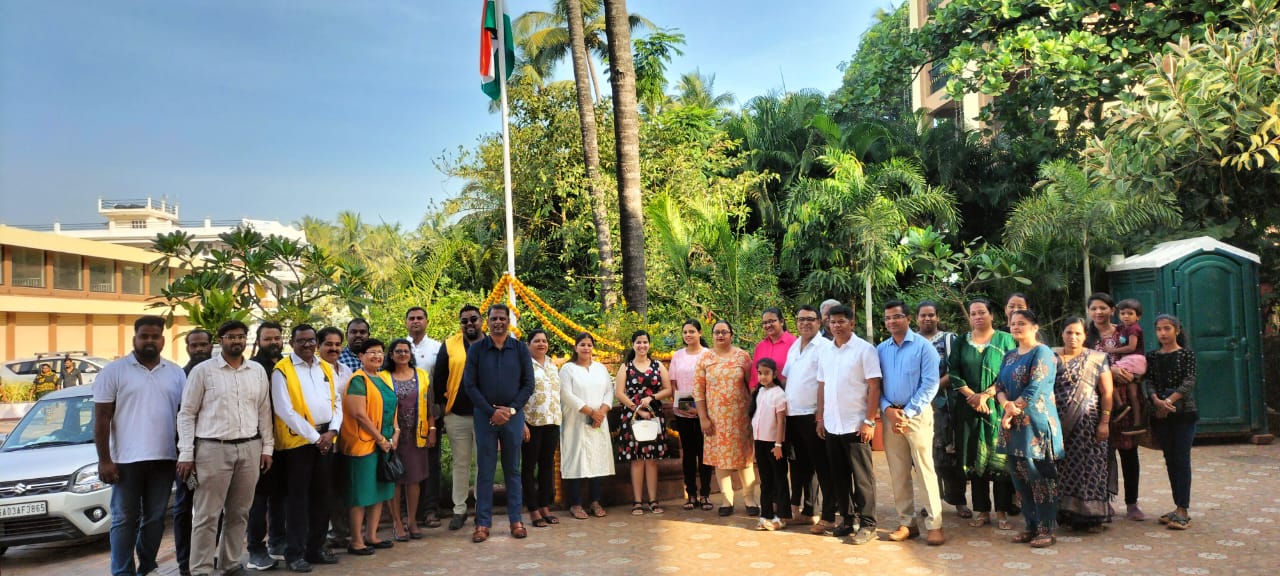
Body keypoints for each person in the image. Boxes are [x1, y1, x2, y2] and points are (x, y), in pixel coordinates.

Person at [177, 320, 275, 576]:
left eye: (241, 336)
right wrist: (187, 452)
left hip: (250, 448)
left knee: (239, 512)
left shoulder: (256, 371)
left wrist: (267, 448)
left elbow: (264, 411)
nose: (236, 341)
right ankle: (201, 569)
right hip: (212, 449)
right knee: (207, 515)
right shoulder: (203, 371)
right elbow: (186, 413)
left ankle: (230, 563)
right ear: (220, 340)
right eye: (231, 337)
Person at [93, 316, 186, 576]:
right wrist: (104, 460)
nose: (149, 340)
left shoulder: (175, 373)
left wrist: (185, 453)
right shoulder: (114, 371)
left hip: (165, 458)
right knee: (124, 519)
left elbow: (185, 416)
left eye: (154, 336)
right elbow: (101, 419)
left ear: (162, 340)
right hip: (125, 461)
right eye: (144, 336)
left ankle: (147, 566)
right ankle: (122, 571)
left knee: (156, 519)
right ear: (134, 338)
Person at [270, 324, 343, 571]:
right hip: (298, 443)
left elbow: (337, 402)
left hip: (325, 438)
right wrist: (316, 438)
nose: (308, 344)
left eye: (311, 340)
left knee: (323, 497)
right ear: (292, 343)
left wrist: (332, 431)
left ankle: (315, 549)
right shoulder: (282, 370)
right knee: (298, 501)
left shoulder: (325, 367)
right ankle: (295, 554)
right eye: (302, 341)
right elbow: (284, 410)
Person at [462, 303, 535, 543]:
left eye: (502, 318)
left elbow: (528, 384)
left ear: (508, 320)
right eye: (493, 318)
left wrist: (511, 409)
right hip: (485, 418)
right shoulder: (477, 350)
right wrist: (491, 412)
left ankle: (516, 520)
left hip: (513, 418)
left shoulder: (520, 349)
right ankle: (482, 523)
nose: (498, 322)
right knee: (485, 471)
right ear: (487, 321)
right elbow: (470, 385)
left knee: (513, 470)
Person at [877, 300, 945, 546]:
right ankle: (907, 522)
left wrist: (907, 412)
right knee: (897, 471)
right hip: (890, 417)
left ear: (907, 318)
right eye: (887, 318)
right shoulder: (881, 349)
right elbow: (878, 385)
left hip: (916, 416)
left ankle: (934, 524)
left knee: (925, 469)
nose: (891, 322)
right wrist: (887, 409)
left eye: (896, 317)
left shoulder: (923, 347)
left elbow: (930, 384)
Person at [995, 309, 1063, 548]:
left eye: (1021, 323)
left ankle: (1046, 528)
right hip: (1013, 424)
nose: (1015, 327)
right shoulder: (1010, 355)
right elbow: (999, 384)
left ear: (1034, 327)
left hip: (1036, 424)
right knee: (1019, 478)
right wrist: (1006, 406)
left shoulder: (1042, 352)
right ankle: (1030, 525)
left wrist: (1014, 409)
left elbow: (1037, 386)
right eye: (1013, 323)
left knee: (1040, 477)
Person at [816, 305, 882, 544]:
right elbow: (822, 385)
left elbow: (874, 386)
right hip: (833, 425)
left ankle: (868, 524)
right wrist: (821, 418)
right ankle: (846, 519)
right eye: (832, 322)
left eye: (841, 321)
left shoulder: (865, 350)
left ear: (852, 323)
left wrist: (869, 420)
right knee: (839, 476)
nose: (836, 326)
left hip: (857, 425)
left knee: (862, 477)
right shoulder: (826, 352)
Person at [948, 298, 1016, 530]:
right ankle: (982, 510)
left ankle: (1002, 511)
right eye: (973, 313)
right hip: (967, 410)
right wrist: (972, 397)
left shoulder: (1005, 340)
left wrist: (986, 395)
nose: (977, 316)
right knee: (975, 459)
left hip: (997, 407)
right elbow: (954, 372)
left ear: (992, 315)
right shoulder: (960, 342)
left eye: (982, 312)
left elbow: (1009, 372)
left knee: (999, 460)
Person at [1085, 292, 1143, 521]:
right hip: (1096, 402)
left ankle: (1132, 503)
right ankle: (1103, 501)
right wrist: (1110, 371)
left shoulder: (1125, 331)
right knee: (1101, 455)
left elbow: (1139, 357)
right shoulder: (1085, 337)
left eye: (1103, 308)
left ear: (1112, 310)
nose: (1098, 313)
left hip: (1124, 402)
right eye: (1093, 309)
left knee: (1129, 452)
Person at [1053, 317, 1114, 532]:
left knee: (1090, 469)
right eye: (1069, 332)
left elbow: (1107, 392)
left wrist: (1104, 422)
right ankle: (1066, 515)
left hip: (1089, 425)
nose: (1073, 337)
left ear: (1085, 336)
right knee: (1063, 469)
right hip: (1057, 425)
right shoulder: (1051, 357)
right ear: (1062, 334)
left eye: (1078, 333)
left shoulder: (1097, 358)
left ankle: (1091, 517)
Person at [695, 320, 760, 518]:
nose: (720, 335)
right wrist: (703, 418)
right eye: (717, 332)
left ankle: (749, 498)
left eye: (724, 332)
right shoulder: (705, 358)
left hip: (740, 417)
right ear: (712, 335)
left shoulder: (742, 356)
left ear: (731, 335)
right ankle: (727, 499)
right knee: (721, 461)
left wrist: (754, 413)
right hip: (716, 419)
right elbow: (698, 391)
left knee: (745, 459)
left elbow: (752, 385)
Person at [338, 338, 397, 556]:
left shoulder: (383, 379)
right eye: (371, 352)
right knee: (360, 494)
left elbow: (392, 406)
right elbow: (359, 415)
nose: (377, 356)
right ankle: (356, 541)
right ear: (361, 356)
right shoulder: (358, 380)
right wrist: (380, 439)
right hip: (364, 444)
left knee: (379, 491)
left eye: (380, 352)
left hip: (385, 443)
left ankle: (371, 535)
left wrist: (395, 433)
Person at [781, 305, 835, 533]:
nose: (805, 323)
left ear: (819, 322)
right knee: (801, 467)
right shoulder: (795, 345)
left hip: (813, 416)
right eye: (800, 319)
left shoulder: (825, 347)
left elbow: (827, 383)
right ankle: (809, 512)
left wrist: (821, 415)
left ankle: (830, 516)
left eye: (810, 319)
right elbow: (787, 378)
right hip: (793, 415)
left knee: (823, 467)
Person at [433, 305, 486, 531]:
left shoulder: (492, 343)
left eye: (473, 319)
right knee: (460, 463)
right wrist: (443, 408)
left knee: (484, 464)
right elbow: (440, 377)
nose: (469, 324)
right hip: (457, 414)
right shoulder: (449, 345)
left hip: (485, 415)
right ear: (460, 323)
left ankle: (481, 509)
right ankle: (459, 509)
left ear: (481, 320)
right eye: (464, 321)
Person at [378, 338, 437, 541]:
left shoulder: (422, 375)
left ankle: (411, 520)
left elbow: (430, 405)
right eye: (398, 351)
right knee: (395, 480)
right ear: (391, 355)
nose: (402, 354)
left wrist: (432, 429)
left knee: (413, 480)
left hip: (416, 436)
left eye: (406, 351)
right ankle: (397, 522)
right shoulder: (382, 377)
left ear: (411, 354)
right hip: (392, 437)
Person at [1144, 314, 1197, 531]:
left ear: (1177, 330)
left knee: (1182, 459)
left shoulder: (1186, 354)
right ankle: (1177, 507)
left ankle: (1183, 509)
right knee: (1170, 459)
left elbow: (1189, 381)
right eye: (1159, 329)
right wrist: (1156, 401)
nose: (1163, 333)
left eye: (1167, 329)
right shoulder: (1152, 356)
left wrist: (1168, 401)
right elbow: (1149, 382)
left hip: (1184, 413)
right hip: (1161, 415)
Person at [916, 301, 968, 519]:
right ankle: (931, 501)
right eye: (923, 315)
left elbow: (957, 369)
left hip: (946, 406)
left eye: (931, 315)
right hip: (918, 407)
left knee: (950, 455)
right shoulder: (913, 341)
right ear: (916, 319)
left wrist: (932, 388)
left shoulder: (949, 339)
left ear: (938, 317)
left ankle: (958, 501)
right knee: (925, 455)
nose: (927, 319)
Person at [558, 332, 615, 520]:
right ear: (575, 347)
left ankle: (595, 501)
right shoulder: (567, 369)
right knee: (576, 459)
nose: (586, 348)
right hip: (576, 422)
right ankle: (575, 503)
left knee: (597, 459)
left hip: (599, 422)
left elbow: (609, 391)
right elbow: (566, 394)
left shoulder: (600, 369)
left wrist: (602, 412)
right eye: (582, 344)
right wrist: (591, 412)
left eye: (589, 345)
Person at [615, 330, 672, 515]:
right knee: (637, 460)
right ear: (633, 344)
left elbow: (668, 389)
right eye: (638, 342)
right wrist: (636, 408)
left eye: (645, 342)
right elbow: (619, 393)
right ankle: (637, 501)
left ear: (649, 344)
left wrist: (652, 397)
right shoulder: (626, 367)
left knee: (652, 460)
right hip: (632, 417)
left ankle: (654, 501)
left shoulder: (657, 365)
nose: (642, 346)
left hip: (654, 416)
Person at [246, 322, 287, 571]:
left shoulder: (285, 365)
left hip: (285, 441)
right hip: (260, 441)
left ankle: (278, 541)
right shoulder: (253, 367)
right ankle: (255, 548)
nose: (273, 342)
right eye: (268, 339)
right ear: (259, 341)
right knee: (258, 499)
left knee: (280, 494)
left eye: (277, 338)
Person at [173, 328, 212, 576]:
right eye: (193, 345)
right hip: (188, 457)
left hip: (216, 453)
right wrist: (187, 454)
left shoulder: (218, 372)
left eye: (203, 345)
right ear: (187, 348)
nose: (198, 349)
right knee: (185, 507)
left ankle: (209, 555)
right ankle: (185, 562)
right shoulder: (181, 377)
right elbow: (181, 417)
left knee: (214, 507)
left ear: (211, 346)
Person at [404, 306, 444, 528]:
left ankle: (430, 510)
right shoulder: (400, 347)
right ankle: (408, 512)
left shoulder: (437, 348)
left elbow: (441, 381)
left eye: (420, 318)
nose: (416, 321)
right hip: (403, 417)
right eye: (412, 318)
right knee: (406, 461)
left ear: (427, 322)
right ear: (406, 322)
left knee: (431, 463)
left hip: (430, 416)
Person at [317, 326, 354, 550]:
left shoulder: (346, 371)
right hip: (321, 440)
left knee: (340, 488)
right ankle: (319, 538)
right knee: (322, 490)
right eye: (328, 344)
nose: (334, 348)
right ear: (319, 346)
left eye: (337, 344)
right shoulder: (314, 371)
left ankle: (339, 533)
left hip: (344, 440)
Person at [670, 319, 713, 511]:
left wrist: (701, 409)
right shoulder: (677, 356)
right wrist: (686, 407)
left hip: (706, 412)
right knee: (688, 455)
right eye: (685, 332)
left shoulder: (708, 355)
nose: (688, 335)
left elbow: (713, 383)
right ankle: (691, 495)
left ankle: (705, 495)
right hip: (684, 412)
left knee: (705, 454)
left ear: (700, 333)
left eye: (692, 331)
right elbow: (673, 384)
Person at [522, 329, 561, 527]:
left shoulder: (553, 365)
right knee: (529, 466)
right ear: (528, 344)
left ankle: (545, 505)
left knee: (546, 466)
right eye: (536, 341)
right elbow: (518, 394)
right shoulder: (524, 365)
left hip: (552, 421)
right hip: (532, 422)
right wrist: (521, 422)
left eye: (544, 341)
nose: (541, 344)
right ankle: (533, 509)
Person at [751, 358, 790, 531]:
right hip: (760, 442)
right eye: (760, 373)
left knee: (779, 479)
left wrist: (779, 444)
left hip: (774, 444)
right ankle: (766, 514)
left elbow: (781, 422)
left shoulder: (779, 394)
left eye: (767, 373)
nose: (763, 377)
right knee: (765, 481)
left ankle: (781, 516)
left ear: (774, 374)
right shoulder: (759, 393)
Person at [1107, 299, 1149, 435]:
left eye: (1130, 313)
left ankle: (1120, 406)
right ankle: (1137, 423)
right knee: (1133, 394)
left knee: (1106, 375)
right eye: (1123, 313)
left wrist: (1112, 350)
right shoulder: (1124, 327)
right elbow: (1114, 327)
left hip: (1134, 360)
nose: (1126, 316)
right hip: (1135, 361)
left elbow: (1131, 347)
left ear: (1138, 317)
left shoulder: (1133, 329)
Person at [750, 308, 796, 391]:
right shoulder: (760, 347)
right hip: (764, 397)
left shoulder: (794, 344)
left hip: (788, 396)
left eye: (771, 321)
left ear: (781, 322)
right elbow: (754, 375)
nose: (768, 325)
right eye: (765, 323)